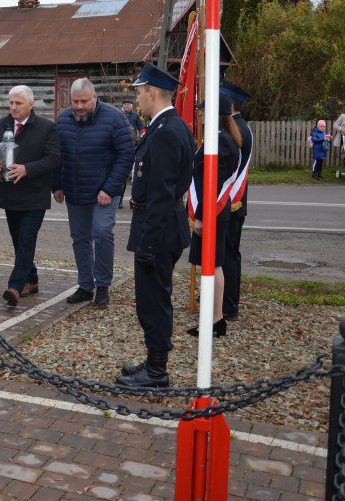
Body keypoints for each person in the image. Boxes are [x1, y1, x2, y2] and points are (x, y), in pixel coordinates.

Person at [116, 62, 194, 388]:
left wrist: (148, 242)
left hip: (157, 228)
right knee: (152, 298)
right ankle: (152, 361)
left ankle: (157, 371)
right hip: (157, 225)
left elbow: (162, 193)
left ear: (151, 92)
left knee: (154, 300)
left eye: (139, 91)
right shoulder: (166, 127)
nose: (137, 97)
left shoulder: (166, 131)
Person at [53, 78, 134, 308]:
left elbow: (126, 154)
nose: (79, 106)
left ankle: (103, 285)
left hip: (104, 191)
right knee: (80, 238)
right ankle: (85, 285)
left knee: (101, 233)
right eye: (75, 101)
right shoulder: (63, 120)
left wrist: (109, 188)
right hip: (74, 190)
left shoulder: (114, 118)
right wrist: (56, 184)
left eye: (84, 102)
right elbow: (57, 155)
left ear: (94, 98)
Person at [0, 86, 61, 306]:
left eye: (18, 103)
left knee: (26, 240)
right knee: (19, 242)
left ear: (31, 104)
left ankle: (15, 287)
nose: (14, 107)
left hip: (35, 195)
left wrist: (27, 169)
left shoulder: (46, 128)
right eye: (11, 103)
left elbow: (54, 159)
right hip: (9, 194)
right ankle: (32, 280)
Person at [186, 92, 242, 339]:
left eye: (203, 110)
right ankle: (214, 319)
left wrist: (201, 216)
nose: (199, 113)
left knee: (213, 265)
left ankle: (216, 319)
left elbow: (214, 183)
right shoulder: (223, 137)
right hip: (215, 212)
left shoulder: (220, 141)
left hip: (213, 213)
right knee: (212, 264)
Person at [220, 79, 253, 323]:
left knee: (227, 255)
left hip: (229, 203)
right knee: (229, 254)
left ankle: (228, 305)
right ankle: (226, 300)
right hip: (235, 203)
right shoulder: (242, 126)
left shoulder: (234, 131)